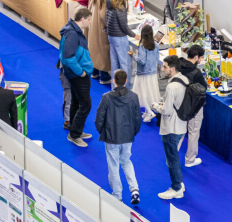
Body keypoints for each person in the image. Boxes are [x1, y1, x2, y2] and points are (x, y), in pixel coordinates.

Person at [95, 69, 143, 205]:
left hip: (112, 137)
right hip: (127, 136)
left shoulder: (106, 97)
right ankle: (134, 191)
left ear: (114, 80)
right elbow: (137, 118)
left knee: (113, 165)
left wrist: (103, 132)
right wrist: (132, 133)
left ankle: (117, 196)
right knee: (126, 161)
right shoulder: (133, 96)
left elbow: (99, 118)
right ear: (126, 81)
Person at [60, 9, 95, 147]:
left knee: (76, 101)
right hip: (77, 74)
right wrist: (80, 72)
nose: (91, 21)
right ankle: (74, 135)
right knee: (86, 104)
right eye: (90, 19)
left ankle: (75, 131)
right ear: (83, 19)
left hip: (74, 73)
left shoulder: (72, 31)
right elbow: (68, 57)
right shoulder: (73, 34)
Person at [155, 56, 188, 200]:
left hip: (171, 127)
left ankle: (176, 188)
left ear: (172, 69)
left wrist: (156, 106)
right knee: (174, 157)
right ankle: (179, 183)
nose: (163, 69)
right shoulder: (185, 80)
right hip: (181, 125)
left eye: (165, 66)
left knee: (171, 159)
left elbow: (167, 111)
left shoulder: (171, 87)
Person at [131, 25, 161, 122]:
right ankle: (149, 110)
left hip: (143, 73)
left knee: (142, 92)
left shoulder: (142, 46)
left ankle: (149, 112)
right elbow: (157, 59)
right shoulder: (156, 44)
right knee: (149, 92)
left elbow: (142, 61)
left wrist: (133, 56)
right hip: (152, 73)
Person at [106, 0, 132, 91]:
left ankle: (115, 88)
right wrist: (134, 35)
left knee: (115, 64)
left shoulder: (109, 4)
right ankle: (126, 88)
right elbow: (124, 27)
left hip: (111, 37)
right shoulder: (120, 8)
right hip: (120, 38)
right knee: (125, 64)